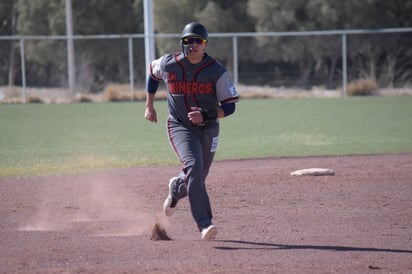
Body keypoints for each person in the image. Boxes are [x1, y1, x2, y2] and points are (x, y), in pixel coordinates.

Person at [144, 22, 239, 240]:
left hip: (208, 129)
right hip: (180, 126)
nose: (194, 45)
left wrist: (206, 115)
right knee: (195, 168)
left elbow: (230, 106)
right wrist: (149, 105)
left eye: (199, 41)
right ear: (182, 43)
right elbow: (152, 73)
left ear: (205, 45)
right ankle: (205, 224)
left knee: (198, 176)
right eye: (189, 41)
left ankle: (176, 188)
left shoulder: (216, 71)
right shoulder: (169, 64)